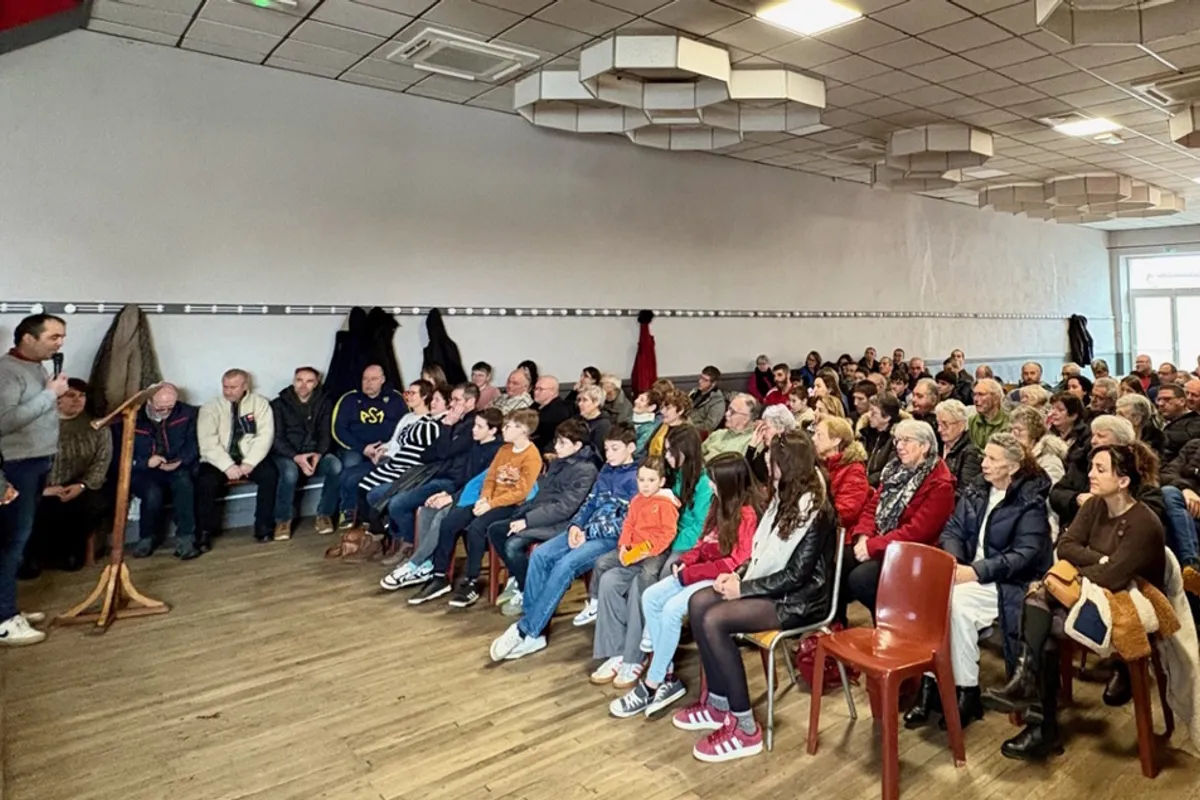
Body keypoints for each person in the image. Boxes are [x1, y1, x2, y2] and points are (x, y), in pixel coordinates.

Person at [985, 444, 1166, 761]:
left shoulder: (1144, 523)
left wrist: (1081, 572)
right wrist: (1099, 560)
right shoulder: (1095, 505)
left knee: (1039, 604)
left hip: (1128, 605)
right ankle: (1041, 715)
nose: (1091, 475)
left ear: (1123, 481)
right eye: (1092, 467)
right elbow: (1065, 545)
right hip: (1088, 592)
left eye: (1099, 469)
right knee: (1042, 610)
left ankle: (1040, 715)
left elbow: (1113, 576)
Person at [671, 431, 838, 762]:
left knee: (715, 619)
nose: (765, 466)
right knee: (699, 601)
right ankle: (717, 704)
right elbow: (761, 553)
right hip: (776, 589)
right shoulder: (785, 497)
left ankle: (745, 727)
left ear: (787, 466)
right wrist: (739, 574)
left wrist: (743, 588)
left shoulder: (815, 510)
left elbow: (797, 576)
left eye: (772, 463)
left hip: (802, 600)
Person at [905, 433, 1051, 731]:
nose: (983, 464)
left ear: (1012, 467)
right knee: (934, 601)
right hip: (969, 573)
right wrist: (957, 563)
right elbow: (952, 530)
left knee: (953, 604)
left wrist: (976, 572)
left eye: (992, 459)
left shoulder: (1029, 501)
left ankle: (961, 690)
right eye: (984, 456)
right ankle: (941, 685)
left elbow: (1025, 555)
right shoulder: (978, 490)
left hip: (1010, 582)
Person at [609, 454, 759, 717]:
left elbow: (736, 561)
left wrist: (691, 573)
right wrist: (687, 561)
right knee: (652, 596)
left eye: (713, 480)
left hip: (721, 579)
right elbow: (701, 543)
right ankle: (666, 677)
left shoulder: (746, 514)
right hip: (700, 571)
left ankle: (651, 684)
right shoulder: (717, 503)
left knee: (671, 610)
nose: (709, 485)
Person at [489, 423, 639, 662]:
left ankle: (525, 629)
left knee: (565, 565)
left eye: (615, 449)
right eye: (607, 449)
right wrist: (577, 526)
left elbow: (625, 522)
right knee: (540, 556)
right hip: (585, 530)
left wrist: (587, 533)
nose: (609, 454)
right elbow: (589, 504)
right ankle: (535, 631)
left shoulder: (636, 478)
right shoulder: (607, 471)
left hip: (609, 539)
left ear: (631, 448)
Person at [578, 423, 714, 626]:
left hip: (684, 540)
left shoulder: (703, 483)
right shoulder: (672, 473)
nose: (666, 456)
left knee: (668, 568)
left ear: (685, 451)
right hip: (662, 536)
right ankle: (624, 615)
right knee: (610, 564)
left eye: (671, 451)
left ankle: (660, 621)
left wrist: (669, 542)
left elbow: (699, 526)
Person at [411, 409, 543, 607]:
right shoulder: (504, 450)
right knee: (449, 522)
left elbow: (521, 492)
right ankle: (440, 576)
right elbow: (489, 478)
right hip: (489, 500)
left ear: (522, 430)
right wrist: (484, 499)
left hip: (511, 505)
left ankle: (472, 581)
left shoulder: (532, 456)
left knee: (476, 528)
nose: (503, 430)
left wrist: (491, 504)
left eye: (508, 426)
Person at [840, 419, 956, 622]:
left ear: (925, 446)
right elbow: (872, 507)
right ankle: (835, 623)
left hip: (913, 552)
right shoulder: (895, 470)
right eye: (897, 441)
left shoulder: (940, 484)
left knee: (862, 579)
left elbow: (918, 531)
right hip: (882, 542)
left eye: (906, 441)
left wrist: (872, 546)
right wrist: (863, 537)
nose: (899, 446)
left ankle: (893, 625)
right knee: (838, 559)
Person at [379, 408, 503, 590]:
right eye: (474, 425)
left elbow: (481, 486)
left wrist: (451, 498)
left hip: (480, 500)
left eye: (479, 426)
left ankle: (414, 564)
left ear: (492, 430)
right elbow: (464, 477)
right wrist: (446, 494)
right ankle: (426, 564)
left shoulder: (497, 452)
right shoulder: (476, 446)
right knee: (428, 509)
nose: (473, 430)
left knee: (441, 516)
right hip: (461, 493)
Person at [0, 313, 67, 645]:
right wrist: (51, 395)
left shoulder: (37, 367)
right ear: (28, 337)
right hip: (15, 465)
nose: (60, 343)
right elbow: (4, 422)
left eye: (62, 337)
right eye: (54, 337)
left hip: (36, 461)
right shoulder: (6, 372)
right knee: (10, 542)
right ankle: (4, 619)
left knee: (19, 540)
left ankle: (7, 607)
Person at [591, 456, 684, 691]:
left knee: (643, 583)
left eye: (650, 480)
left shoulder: (666, 504)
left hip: (653, 553)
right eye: (641, 479)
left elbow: (666, 535)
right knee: (608, 579)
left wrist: (645, 550)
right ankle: (617, 652)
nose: (644, 484)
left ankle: (636, 654)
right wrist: (624, 546)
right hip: (632, 552)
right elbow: (629, 526)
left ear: (661, 481)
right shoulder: (636, 501)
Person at [488, 420, 599, 616]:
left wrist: (527, 521)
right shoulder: (559, 462)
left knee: (513, 544)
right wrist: (523, 512)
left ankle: (528, 592)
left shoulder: (586, 470)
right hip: (543, 516)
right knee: (496, 529)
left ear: (578, 446)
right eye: (557, 441)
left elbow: (565, 508)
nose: (556, 447)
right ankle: (520, 578)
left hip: (563, 524)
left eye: (563, 443)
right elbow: (544, 495)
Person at [374, 383, 478, 560]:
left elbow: (444, 452)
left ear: (470, 402)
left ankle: (410, 548)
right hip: (432, 473)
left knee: (398, 503)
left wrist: (446, 425)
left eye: (456, 400)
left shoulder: (472, 426)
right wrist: (444, 439)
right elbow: (428, 454)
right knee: (381, 495)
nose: (451, 404)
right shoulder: (453, 421)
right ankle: (401, 541)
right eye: (451, 399)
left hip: (452, 482)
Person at [27, 378, 111, 574]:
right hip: (41, 486)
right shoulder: (35, 427)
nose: (78, 400)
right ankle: (32, 558)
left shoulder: (97, 427)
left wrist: (81, 486)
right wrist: (45, 489)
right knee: (32, 508)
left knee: (90, 505)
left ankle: (70, 554)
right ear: (57, 399)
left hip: (79, 486)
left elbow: (101, 462)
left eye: (82, 395)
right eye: (71, 395)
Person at [195, 369, 277, 546]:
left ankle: (263, 527)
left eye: (233, 387)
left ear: (245, 386)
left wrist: (249, 462)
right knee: (205, 481)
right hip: (219, 459)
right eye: (225, 386)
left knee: (269, 475)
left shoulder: (260, 404)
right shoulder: (210, 407)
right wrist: (226, 466)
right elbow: (207, 441)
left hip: (249, 457)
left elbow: (265, 436)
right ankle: (203, 532)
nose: (228, 391)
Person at [356, 381, 443, 525]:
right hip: (394, 458)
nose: (408, 396)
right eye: (407, 393)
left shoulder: (429, 421)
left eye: (413, 393)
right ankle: (369, 526)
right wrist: (382, 449)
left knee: (373, 489)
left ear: (424, 396)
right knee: (362, 485)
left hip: (407, 466)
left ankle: (379, 526)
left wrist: (388, 454)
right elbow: (395, 440)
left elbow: (406, 444)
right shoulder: (407, 417)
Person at [131, 383, 201, 559]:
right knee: (152, 493)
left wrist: (180, 461)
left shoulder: (188, 413)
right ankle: (146, 537)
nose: (165, 412)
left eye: (170, 407)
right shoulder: (132, 418)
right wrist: (146, 462)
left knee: (184, 485)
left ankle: (186, 539)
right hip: (144, 470)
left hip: (177, 466)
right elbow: (121, 454)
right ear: (149, 400)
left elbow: (194, 444)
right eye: (160, 408)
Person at [331, 365, 406, 528]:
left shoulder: (396, 398)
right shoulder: (349, 398)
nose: (368, 383)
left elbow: (403, 428)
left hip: (386, 447)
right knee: (352, 463)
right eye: (365, 379)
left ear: (382, 380)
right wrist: (363, 448)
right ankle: (348, 510)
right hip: (356, 448)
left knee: (386, 464)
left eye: (373, 379)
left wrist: (386, 448)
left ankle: (372, 511)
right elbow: (338, 429)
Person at [270, 366, 340, 539]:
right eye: (299, 380)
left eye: (309, 381)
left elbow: (326, 433)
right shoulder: (278, 404)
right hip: (287, 455)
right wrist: (296, 457)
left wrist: (318, 454)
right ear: (294, 382)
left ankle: (324, 515)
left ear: (316, 384)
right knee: (289, 473)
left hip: (313, 453)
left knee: (336, 466)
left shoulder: (324, 402)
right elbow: (276, 438)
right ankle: (283, 520)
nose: (303, 385)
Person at [1009, 404, 1067, 538]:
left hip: (1040, 523)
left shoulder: (1050, 461)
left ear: (1033, 434)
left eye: (1019, 431)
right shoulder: (1014, 457)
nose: (1013, 436)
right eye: (1011, 430)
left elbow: (1050, 500)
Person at [812, 417, 870, 532]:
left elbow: (846, 512)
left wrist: (810, 516)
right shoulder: (818, 464)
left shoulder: (854, 470)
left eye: (819, 435)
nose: (813, 439)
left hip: (838, 535)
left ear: (836, 441)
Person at [1047, 392, 1091, 529]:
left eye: (1060, 410)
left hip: (1071, 483)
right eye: (1052, 408)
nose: (1053, 413)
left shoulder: (1086, 436)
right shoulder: (1047, 434)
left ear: (1073, 415)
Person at [936, 399, 982, 499]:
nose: (939, 429)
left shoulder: (971, 452)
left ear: (961, 425)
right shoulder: (936, 445)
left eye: (945, 424)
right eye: (938, 424)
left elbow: (964, 491)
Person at [745, 405, 798, 485]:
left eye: (767, 428)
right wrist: (752, 447)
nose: (763, 432)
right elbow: (745, 478)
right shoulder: (765, 452)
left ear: (781, 429)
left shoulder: (790, 456)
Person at [701, 393, 758, 461]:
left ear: (746, 419)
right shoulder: (718, 434)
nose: (726, 414)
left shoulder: (752, 442)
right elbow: (695, 455)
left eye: (732, 411)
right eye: (728, 409)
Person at [862, 392, 902, 487]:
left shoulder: (896, 440)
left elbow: (888, 470)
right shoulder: (865, 434)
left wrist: (864, 482)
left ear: (887, 417)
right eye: (869, 410)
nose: (868, 415)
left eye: (874, 412)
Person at [1157, 382, 1200, 463]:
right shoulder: (1156, 421)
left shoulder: (1195, 423)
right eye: (1159, 399)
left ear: (1182, 401)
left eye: (1167, 399)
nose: (1161, 404)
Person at [531, 375, 571, 455]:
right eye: (535, 388)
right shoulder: (536, 405)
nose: (536, 392)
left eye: (541, 389)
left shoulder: (558, 410)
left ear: (552, 391)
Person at [968, 379, 1009, 451]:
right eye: (974, 394)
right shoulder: (972, 421)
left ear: (996, 398)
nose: (975, 399)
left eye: (981, 394)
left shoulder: (1009, 422)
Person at [646, 389, 690, 458]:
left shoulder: (686, 434)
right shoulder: (663, 425)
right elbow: (647, 447)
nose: (662, 411)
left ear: (680, 410)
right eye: (662, 407)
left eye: (668, 408)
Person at [575, 384, 612, 460]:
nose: (580, 404)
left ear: (596, 403)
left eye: (584, 400)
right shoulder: (575, 419)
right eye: (579, 400)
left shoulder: (603, 425)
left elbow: (596, 452)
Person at [688, 366, 727, 434]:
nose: (700, 381)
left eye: (705, 380)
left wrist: (689, 426)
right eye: (701, 377)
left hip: (698, 433)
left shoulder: (718, 401)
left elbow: (709, 426)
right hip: (686, 425)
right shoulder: (695, 392)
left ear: (713, 383)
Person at [631, 389, 662, 458]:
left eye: (641, 400)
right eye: (637, 398)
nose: (636, 401)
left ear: (651, 407)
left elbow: (637, 451)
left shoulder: (649, 428)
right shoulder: (629, 419)